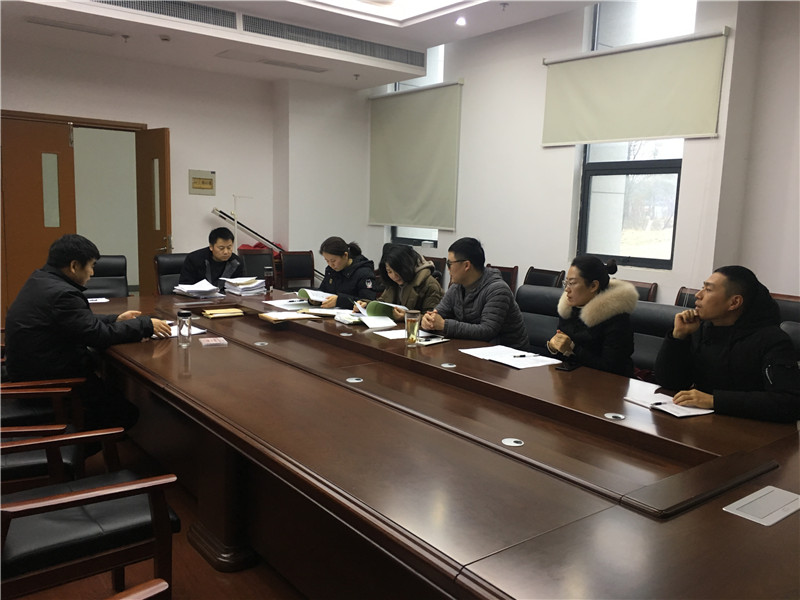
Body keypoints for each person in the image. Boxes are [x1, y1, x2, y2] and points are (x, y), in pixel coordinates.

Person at [5, 234, 172, 429]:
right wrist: (145, 325)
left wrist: (115, 319)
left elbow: (76, 321)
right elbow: (97, 336)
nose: (92, 273)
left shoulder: (41, 280)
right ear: (74, 266)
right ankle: (81, 441)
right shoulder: (63, 294)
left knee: (109, 383)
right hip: (50, 385)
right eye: (91, 266)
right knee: (126, 413)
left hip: (31, 371)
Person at [655, 266, 799, 423]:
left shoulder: (772, 340)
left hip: (752, 428)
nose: (698, 295)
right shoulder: (701, 329)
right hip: (703, 421)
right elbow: (670, 383)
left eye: (708, 290)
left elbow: (789, 402)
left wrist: (715, 400)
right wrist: (678, 338)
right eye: (702, 287)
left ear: (734, 302)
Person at [421, 237, 528, 350]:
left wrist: (444, 325)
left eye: (450, 264)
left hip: (508, 353)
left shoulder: (498, 290)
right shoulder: (456, 287)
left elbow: (487, 331)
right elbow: (438, 314)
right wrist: (428, 320)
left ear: (466, 265)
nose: (448, 269)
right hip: (473, 349)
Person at [547, 256, 638, 376]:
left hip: (608, 383)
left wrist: (572, 348)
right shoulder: (569, 309)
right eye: (566, 283)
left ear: (593, 286)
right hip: (573, 378)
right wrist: (554, 347)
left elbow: (611, 368)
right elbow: (563, 355)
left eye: (572, 283)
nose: (567, 290)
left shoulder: (617, 318)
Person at [372, 244, 444, 320]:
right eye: (389, 271)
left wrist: (406, 316)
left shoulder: (429, 284)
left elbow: (431, 319)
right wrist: (366, 304)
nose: (394, 276)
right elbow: (383, 301)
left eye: (397, 271)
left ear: (407, 266)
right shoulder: (392, 281)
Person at [318, 237, 378, 309]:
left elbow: (368, 301)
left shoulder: (364, 273)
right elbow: (323, 290)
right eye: (327, 261)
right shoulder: (331, 271)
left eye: (333, 261)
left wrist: (339, 301)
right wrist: (315, 300)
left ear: (345, 255)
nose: (330, 265)